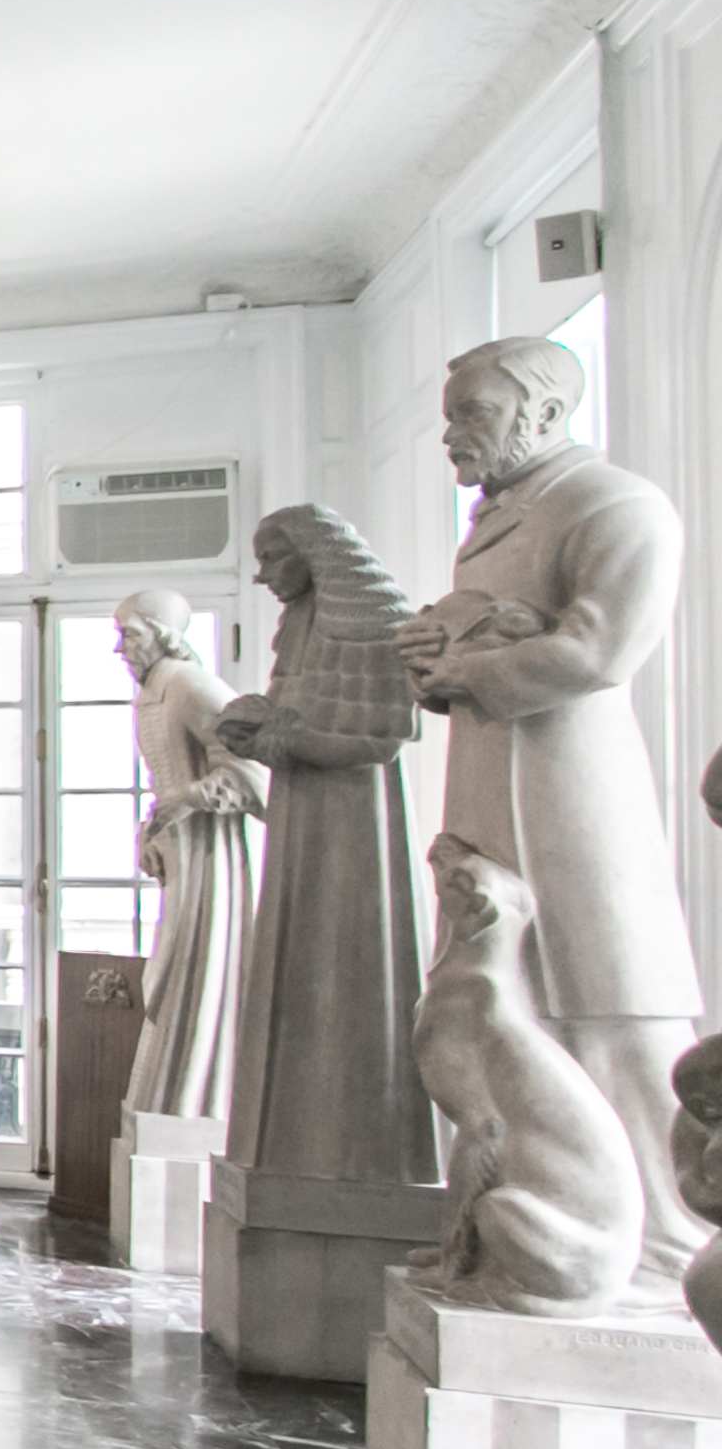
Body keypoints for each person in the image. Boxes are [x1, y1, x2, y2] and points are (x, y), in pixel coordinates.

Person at [394, 336, 703, 1292]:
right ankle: (499, 1222)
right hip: (493, 771)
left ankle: (661, 1243)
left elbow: (600, 650)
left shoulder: (613, 503)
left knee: (601, 995)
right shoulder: (500, 518)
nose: (453, 434)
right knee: (504, 997)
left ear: (542, 414)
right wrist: (444, 649)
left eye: (472, 415)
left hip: (576, 789)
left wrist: (470, 662)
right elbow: (503, 631)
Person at [213, 507, 433, 1185]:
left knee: (343, 970)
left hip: (352, 831)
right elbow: (302, 716)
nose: (262, 572)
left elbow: (372, 740)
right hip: (305, 817)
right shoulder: (301, 622)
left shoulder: (367, 627)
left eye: (275, 556)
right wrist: (261, 728)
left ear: (318, 554)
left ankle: (338, 1149)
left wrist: (281, 739)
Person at [117, 588, 261, 1123]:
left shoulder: (191, 687)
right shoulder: (154, 693)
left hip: (209, 852)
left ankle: (196, 1091)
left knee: (196, 963)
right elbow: (162, 782)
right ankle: (170, 1087)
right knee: (170, 972)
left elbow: (252, 771)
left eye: (130, 635)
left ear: (163, 635)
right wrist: (150, 831)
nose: (120, 649)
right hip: (178, 848)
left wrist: (187, 800)